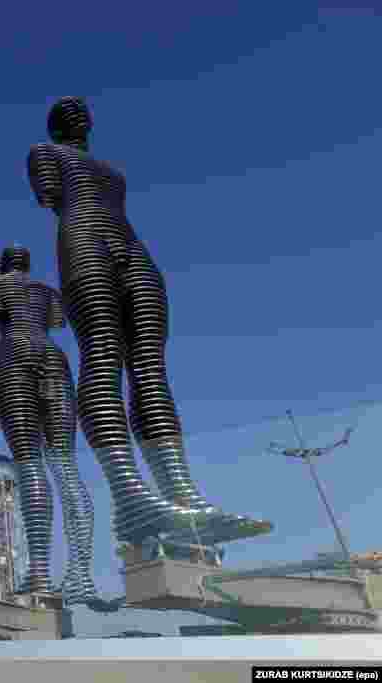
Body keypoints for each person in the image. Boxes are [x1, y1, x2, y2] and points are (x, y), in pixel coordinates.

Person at [26, 96, 266, 545]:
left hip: (132, 247)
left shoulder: (110, 168)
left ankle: (183, 495)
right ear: (55, 125)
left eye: (82, 110)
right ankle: (130, 495)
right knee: (102, 354)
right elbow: (51, 196)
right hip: (84, 241)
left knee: (152, 369)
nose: (78, 115)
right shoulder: (45, 153)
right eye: (66, 112)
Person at [0, 245, 96, 604]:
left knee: (29, 463)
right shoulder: (48, 293)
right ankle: (81, 576)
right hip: (52, 355)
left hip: (14, 352)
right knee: (65, 464)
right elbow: (56, 324)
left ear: (4, 264)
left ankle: (41, 576)